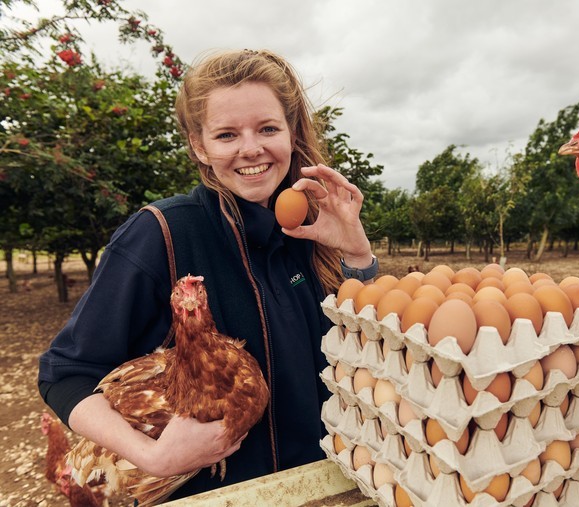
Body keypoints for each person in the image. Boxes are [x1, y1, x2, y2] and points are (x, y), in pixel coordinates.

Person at [37, 48, 377, 500]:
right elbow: (65, 374)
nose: (251, 148)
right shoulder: (162, 233)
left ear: (292, 134)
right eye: (226, 134)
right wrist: (152, 456)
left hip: (318, 484)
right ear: (200, 145)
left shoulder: (308, 229)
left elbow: (361, 355)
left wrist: (355, 252)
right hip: (214, 496)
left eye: (268, 128)